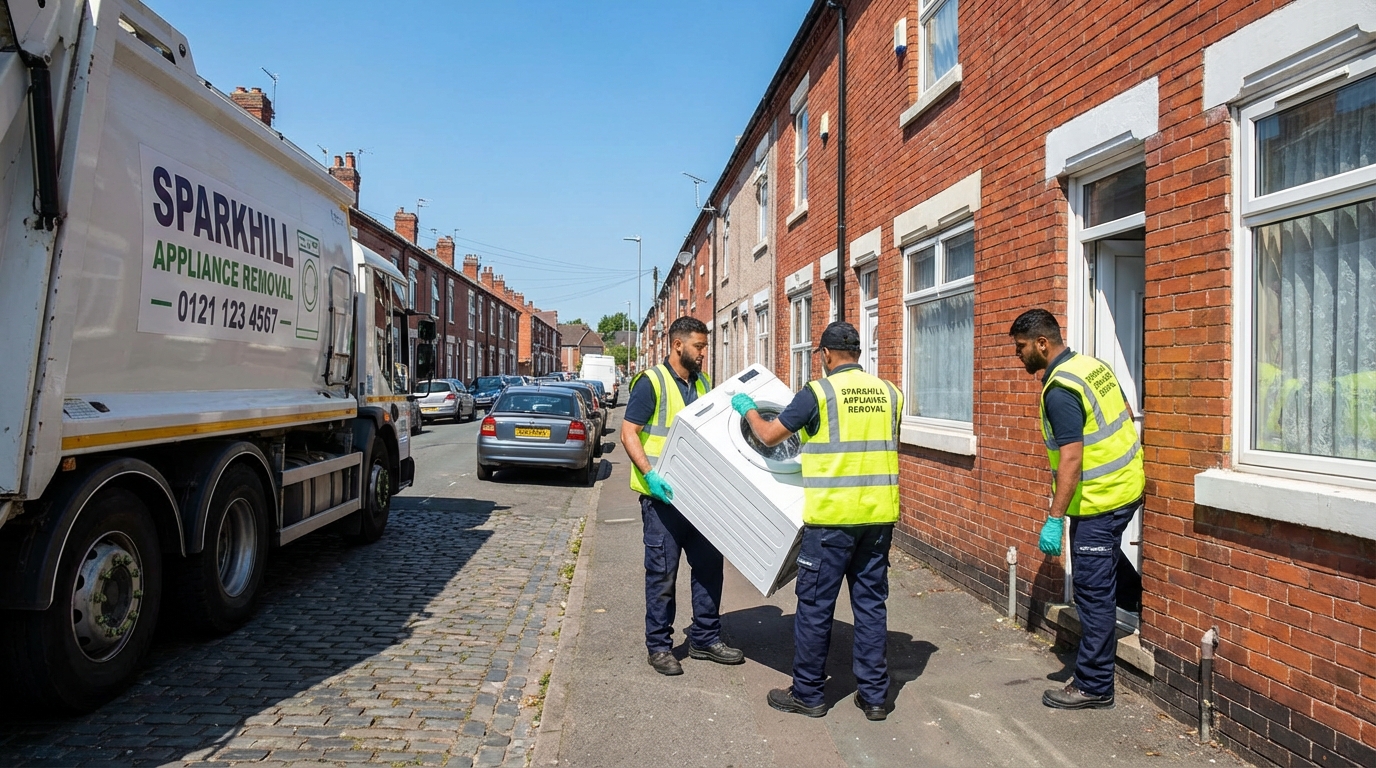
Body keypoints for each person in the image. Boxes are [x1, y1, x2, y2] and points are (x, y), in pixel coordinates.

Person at [734, 321, 901, 721]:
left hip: (831, 522)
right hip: (878, 518)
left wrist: (748, 410)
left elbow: (769, 436)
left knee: (814, 607)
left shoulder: (819, 393)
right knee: (871, 607)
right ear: (857, 352)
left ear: (825, 354)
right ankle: (875, 698)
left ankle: (808, 694)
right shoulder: (890, 393)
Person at [1008, 308, 1145, 710]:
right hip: (1126, 486)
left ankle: (1094, 685)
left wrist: (1054, 517)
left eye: (1021, 347)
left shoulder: (1060, 390)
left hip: (1101, 499)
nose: (1018, 355)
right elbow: (1125, 411)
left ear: (1042, 343)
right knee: (1102, 562)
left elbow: (1072, 458)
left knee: (1092, 592)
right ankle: (1141, 603)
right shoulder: (1092, 366)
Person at [620, 316, 744, 676]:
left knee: (709, 570)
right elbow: (629, 433)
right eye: (699, 346)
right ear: (678, 345)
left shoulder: (703, 383)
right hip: (662, 501)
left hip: (700, 498)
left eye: (705, 346)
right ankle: (659, 647)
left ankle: (705, 638)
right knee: (662, 574)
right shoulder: (651, 383)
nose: (704, 352)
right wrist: (650, 475)